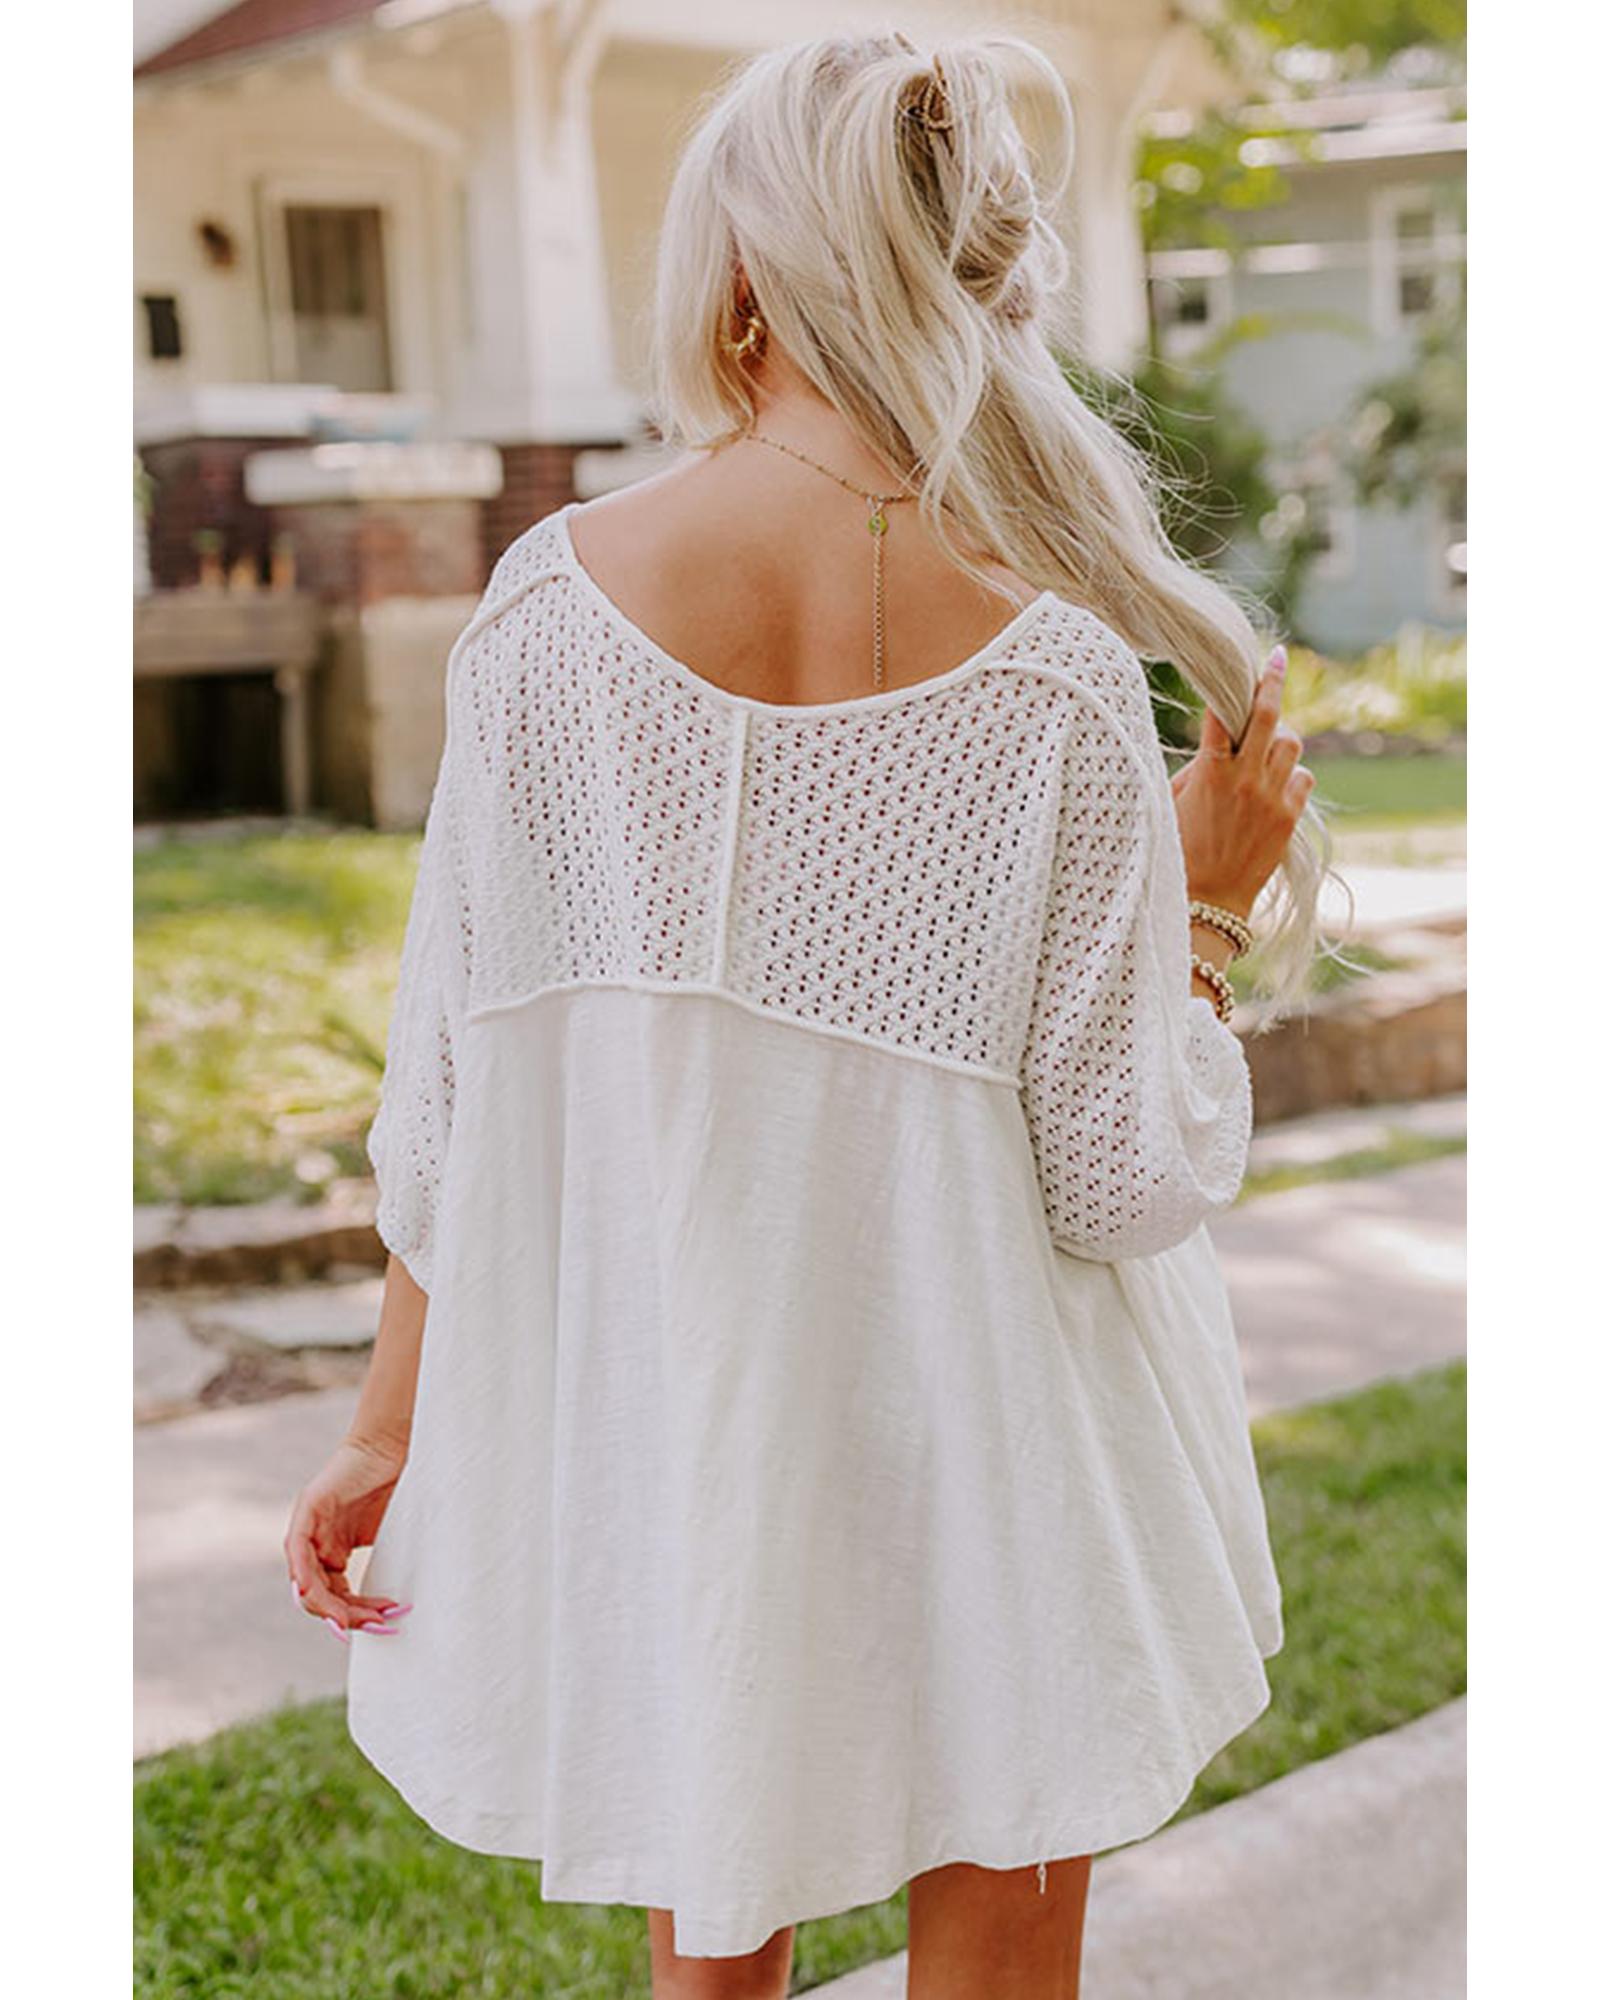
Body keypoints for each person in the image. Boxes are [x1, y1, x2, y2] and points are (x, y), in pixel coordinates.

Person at [285, 29, 1324, 2000]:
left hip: (699, 1427)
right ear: (970, 274)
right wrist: (1201, 913)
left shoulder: (541, 616)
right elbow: (1118, 1180)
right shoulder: (1053, 670)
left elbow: (448, 1104)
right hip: (1002, 1439)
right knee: (1001, 1899)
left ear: (743, 273)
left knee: (715, 1924)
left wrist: (383, 1424)